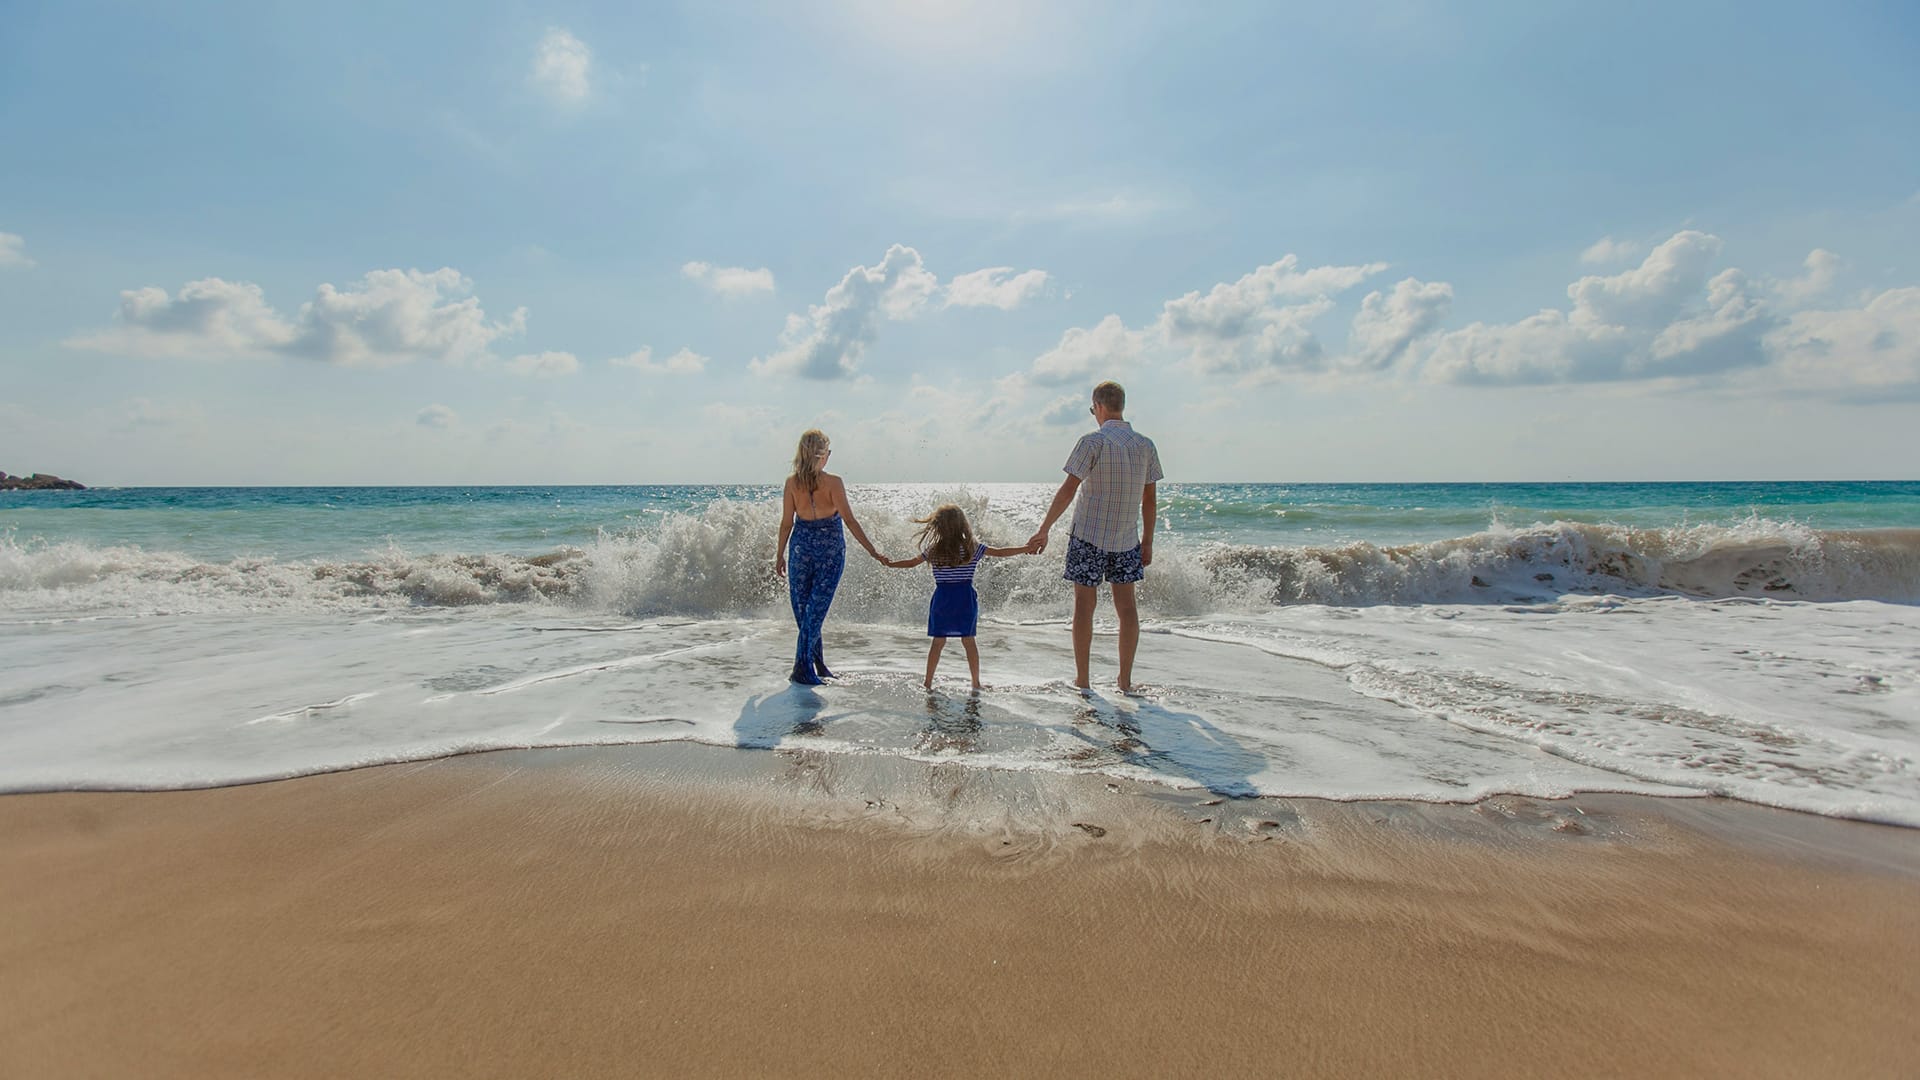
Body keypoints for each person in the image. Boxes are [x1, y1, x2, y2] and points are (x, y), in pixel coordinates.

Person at [1026, 381, 1163, 694]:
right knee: (1127, 609)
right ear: (1121, 406)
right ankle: (1124, 681)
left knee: (1084, 607)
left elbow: (1068, 490)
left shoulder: (1092, 442)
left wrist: (1044, 528)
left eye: (1092, 409)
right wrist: (1149, 541)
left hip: (1088, 536)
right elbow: (1150, 500)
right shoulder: (1145, 445)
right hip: (1127, 539)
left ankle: (1083, 680)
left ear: (1099, 406)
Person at [774, 429, 884, 684]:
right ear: (822, 455)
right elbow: (849, 520)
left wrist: (779, 554)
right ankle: (802, 668)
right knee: (812, 611)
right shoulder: (833, 482)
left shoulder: (792, 483)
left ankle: (817, 664)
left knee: (807, 611)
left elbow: (786, 524)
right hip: (830, 551)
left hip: (800, 548)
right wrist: (872, 550)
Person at [884, 504, 1030, 691]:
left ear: (938, 526)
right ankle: (975, 683)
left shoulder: (933, 549)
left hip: (943, 599)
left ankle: (928, 682)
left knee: (938, 642)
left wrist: (890, 564)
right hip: (964, 599)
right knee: (968, 641)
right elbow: (1000, 552)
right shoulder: (972, 548)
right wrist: (1025, 548)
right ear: (962, 525)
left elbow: (912, 563)